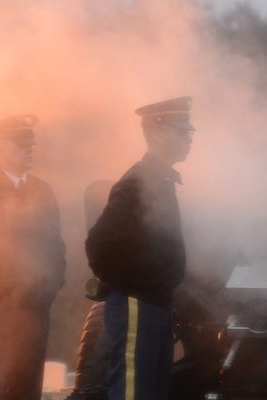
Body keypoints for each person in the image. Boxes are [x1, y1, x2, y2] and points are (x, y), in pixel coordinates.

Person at [85, 97, 193, 400]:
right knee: (134, 390)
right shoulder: (136, 182)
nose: (189, 138)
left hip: (156, 303)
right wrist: (131, 284)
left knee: (154, 390)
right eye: (182, 130)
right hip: (137, 305)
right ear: (157, 134)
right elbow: (99, 244)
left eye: (190, 131)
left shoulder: (160, 178)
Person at [0, 114, 66, 400]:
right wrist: (13, 295)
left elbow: (56, 249)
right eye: (21, 142)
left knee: (27, 385)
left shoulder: (43, 191)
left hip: (35, 307)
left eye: (31, 141)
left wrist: (47, 291)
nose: (29, 148)